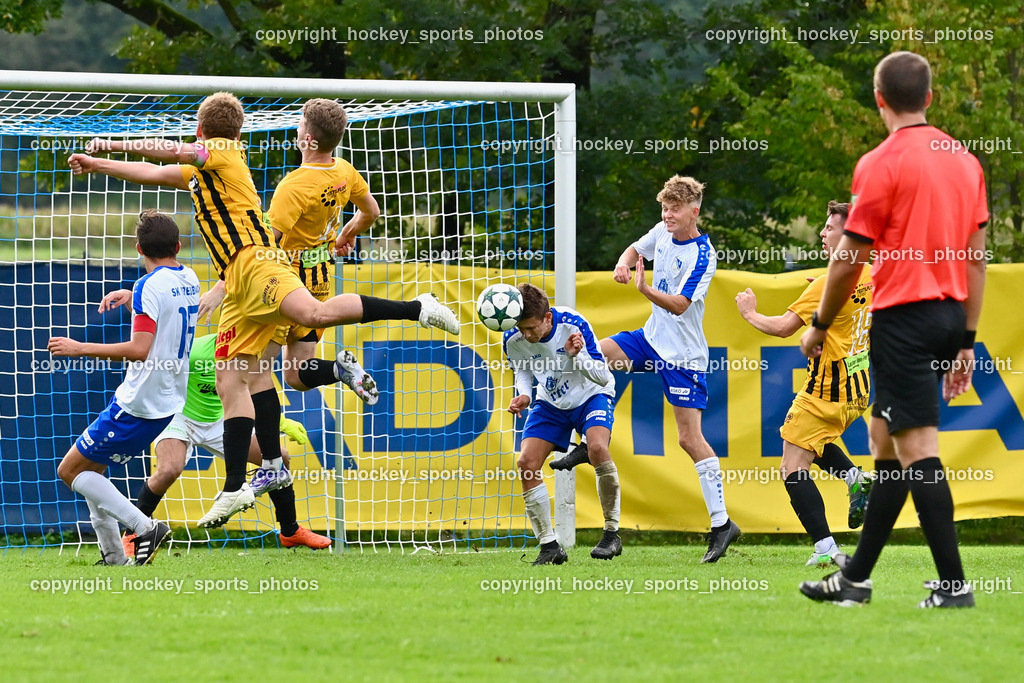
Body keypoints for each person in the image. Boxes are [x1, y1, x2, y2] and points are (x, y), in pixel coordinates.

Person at [68, 92, 460, 530]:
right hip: (238, 277)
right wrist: (98, 165)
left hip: (258, 262)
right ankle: (243, 480)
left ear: (205, 132)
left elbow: (174, 151)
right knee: (235, 374)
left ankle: (416, 308)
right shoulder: (203, 171)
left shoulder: (222, 149)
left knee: (313, 315)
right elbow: (156, 171)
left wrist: (112, 142)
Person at [798, 52, 988, 608]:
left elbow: (848, 259)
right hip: (950, 314)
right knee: (884, 442)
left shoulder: (879, 163)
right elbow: (975, 260)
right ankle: (855, 579)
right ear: (929, 97)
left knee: (919, 451)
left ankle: (954, 587)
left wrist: (819, 325)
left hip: (903, 318)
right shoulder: (965, 160)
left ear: (879, 99)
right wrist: (967, 340)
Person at [83, 333, 330, 556]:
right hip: (179, 416)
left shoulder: (252, 356)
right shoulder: (197, 352)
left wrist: (281, 422)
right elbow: (157, 368)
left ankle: (290, 531)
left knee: (279, 458)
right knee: (169, 469)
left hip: (220, 420)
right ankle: (133, 535)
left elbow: (256, 394)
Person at [601, 174, 739, 563]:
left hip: (682, 357)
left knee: (689, 440)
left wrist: (644, 290)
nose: (667, 215)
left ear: (694, 211)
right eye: (664, 208)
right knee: (593, 357)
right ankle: (591, 440)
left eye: (675, 209)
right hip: (649, 340)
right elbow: (634, 248)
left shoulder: (703, 254)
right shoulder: (661, 231)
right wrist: (622, 264)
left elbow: (679, 305)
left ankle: (722, 523)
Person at [50, 210, 200, 565]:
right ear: (178, 246)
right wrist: (132, 299)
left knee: (70, 472)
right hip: (167, 399)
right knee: (92, 471)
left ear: (138, 248)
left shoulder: (147, 285)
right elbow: (167, 308)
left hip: (138, 404)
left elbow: (139, 349)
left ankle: (144, 526)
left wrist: (79, 348)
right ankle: (114, 556)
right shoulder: (189, 276)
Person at [735, 200, 874, 567]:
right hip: (859, 389)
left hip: (827, 388)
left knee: (792, 465)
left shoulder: (830, 282)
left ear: (851, 235)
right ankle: (854, 477)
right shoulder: (873, 272)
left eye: (830, 228)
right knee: (810, 440)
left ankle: (826, 547)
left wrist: (749, 312)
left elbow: (782, 328)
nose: (823, 233)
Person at [504, 284, 621, 564]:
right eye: (523, 329)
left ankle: (611, 534)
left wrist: (575, 356)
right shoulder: (513, 335)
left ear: (547, 318)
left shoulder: (573, 324)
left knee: (597, 449)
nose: (527, 335)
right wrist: (523, 394)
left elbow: (602, 377)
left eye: (532, 328)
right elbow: (522, 369)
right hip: (551, 401)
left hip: (591, 395)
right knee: (526, 463)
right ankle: (549, 546)